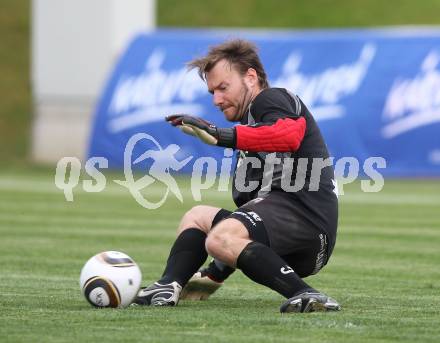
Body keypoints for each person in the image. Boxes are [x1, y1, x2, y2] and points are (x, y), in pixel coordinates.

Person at [133, 39, 340, 313]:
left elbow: (289, 135)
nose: (216, 100)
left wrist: (220, 136)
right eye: (212, 92)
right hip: (289, 235)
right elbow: (249, 217)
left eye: (223, 87)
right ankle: (168, 285)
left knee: (217, 237)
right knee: (198, 216)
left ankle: (307, 294)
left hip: (306, 221)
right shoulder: (251, 131)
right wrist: (216, 273)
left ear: (250, 77)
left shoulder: (272, 99)